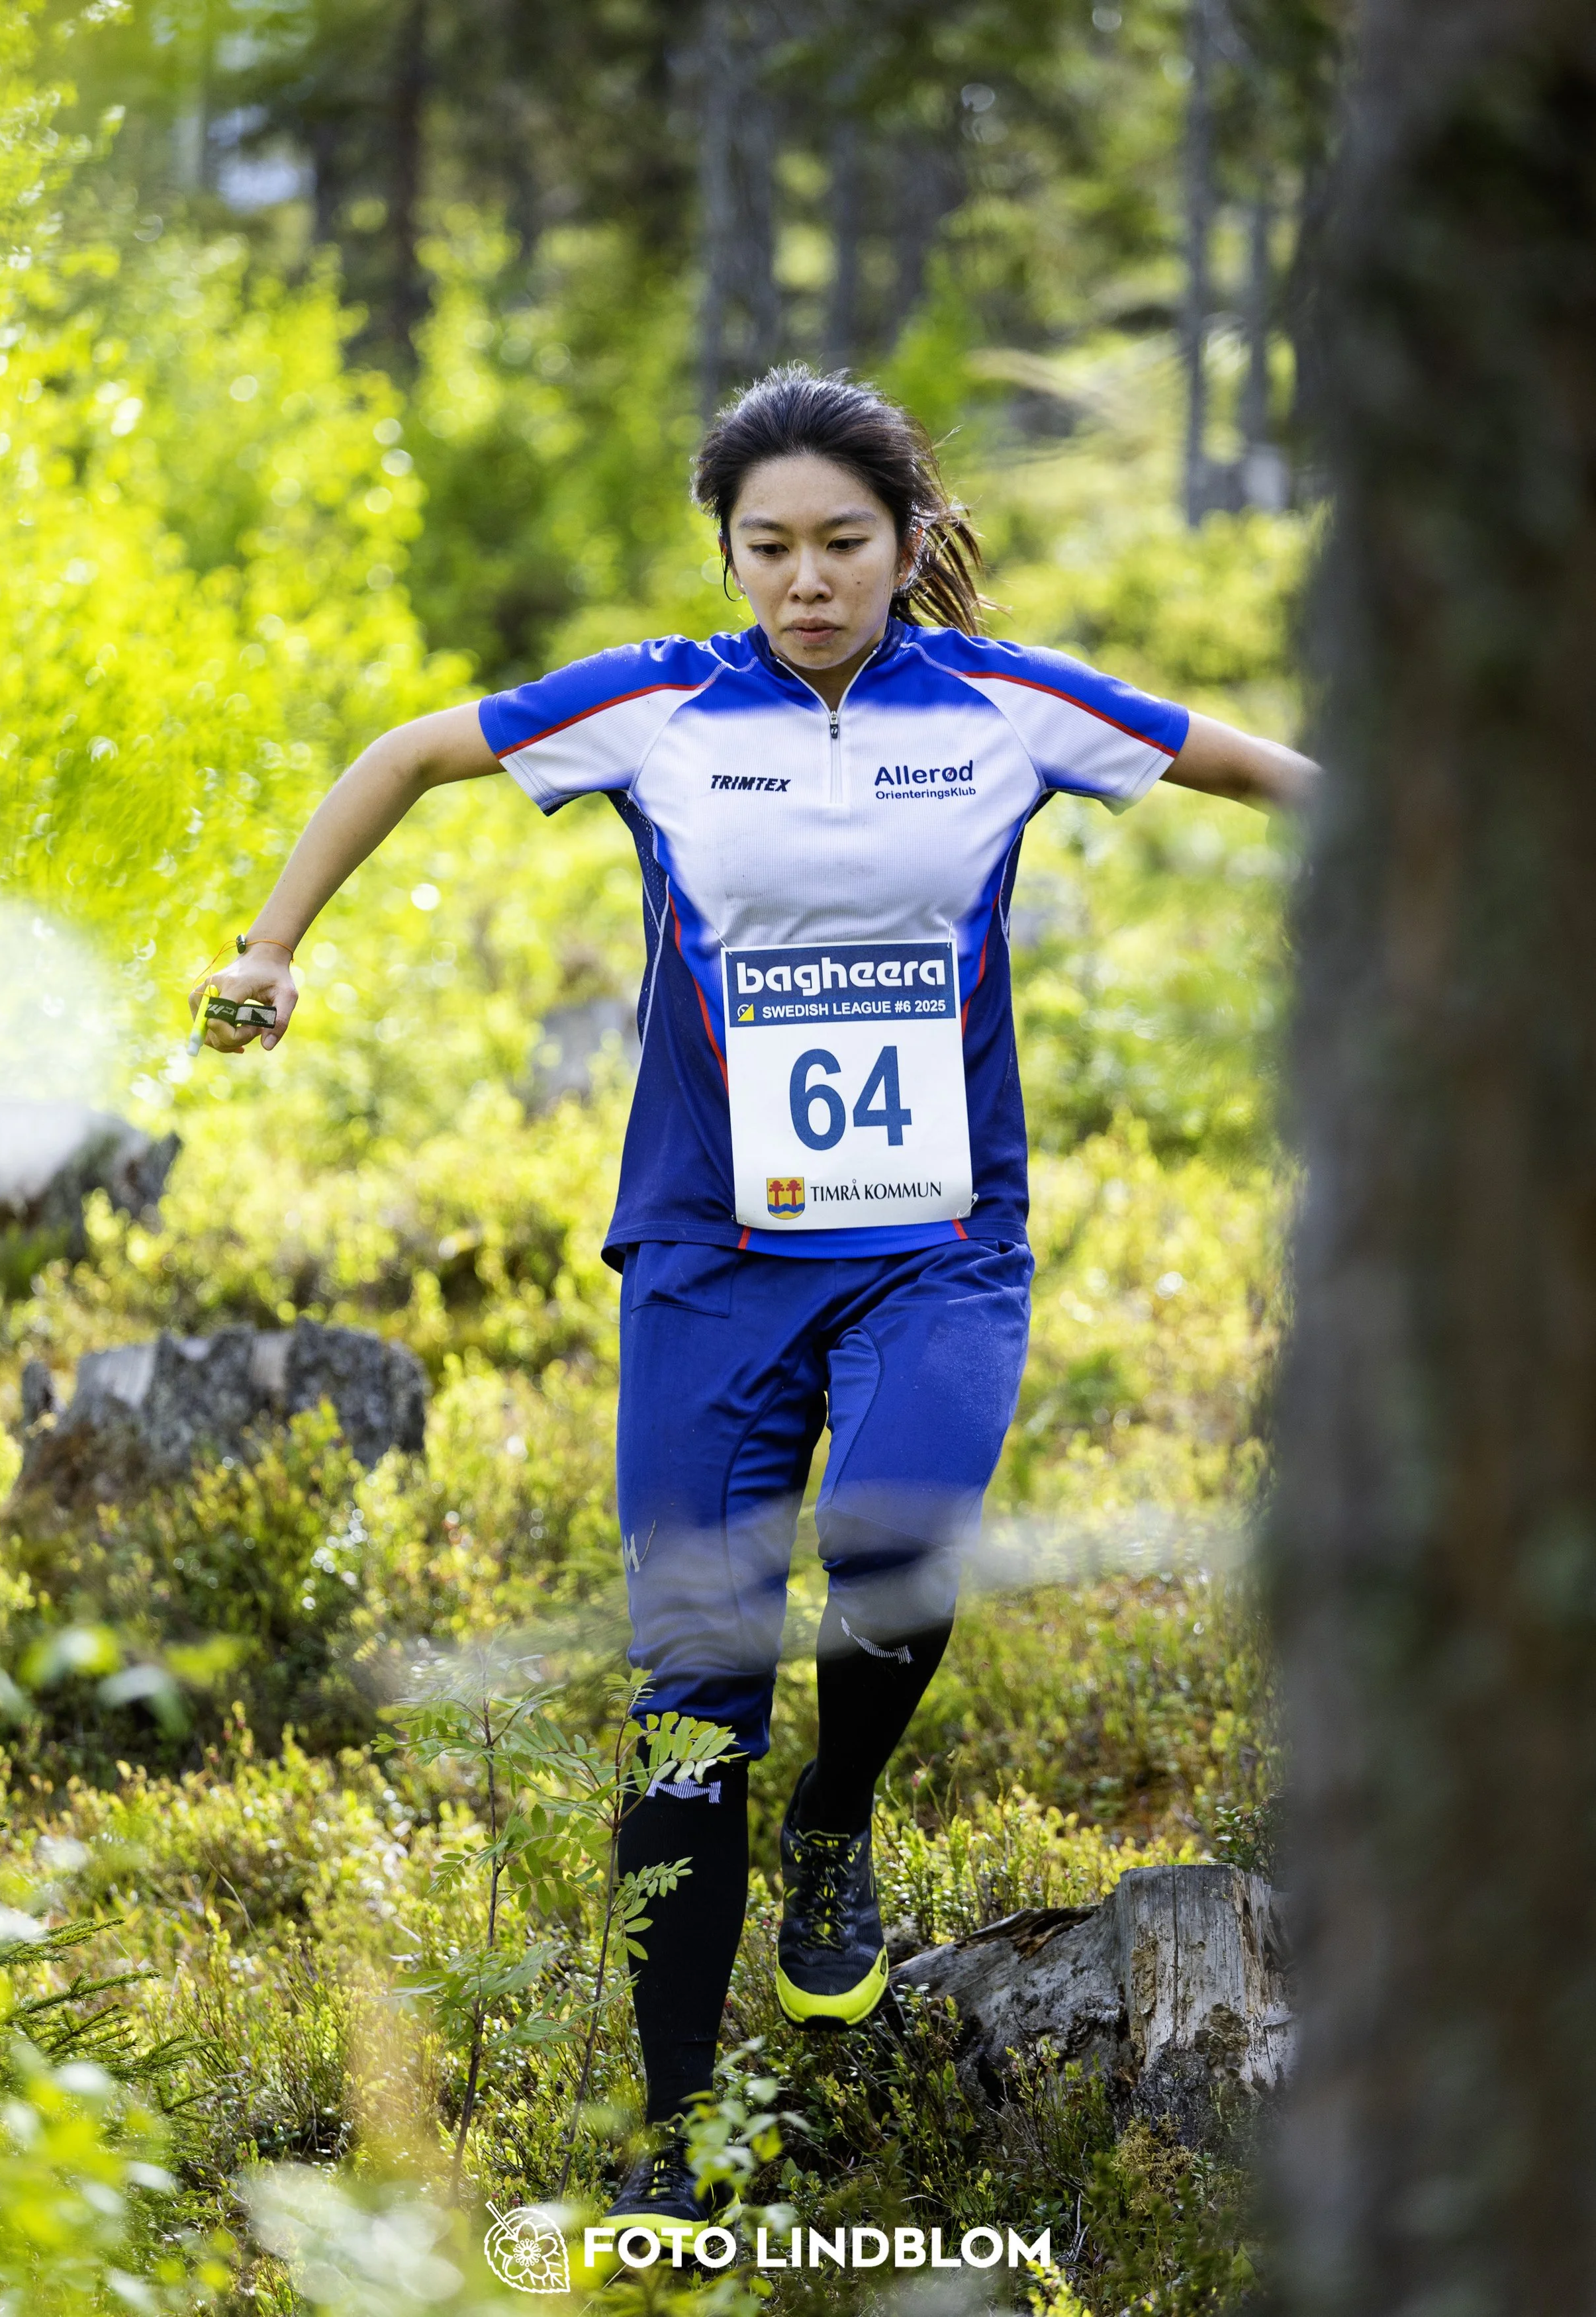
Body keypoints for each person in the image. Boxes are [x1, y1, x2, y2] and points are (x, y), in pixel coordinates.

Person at [196, 365, 1314, 2233]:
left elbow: (1250, 763)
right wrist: (273, 943)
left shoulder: (1002, 703)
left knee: (901, 1549)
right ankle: (672, 2127)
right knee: (691, 1695)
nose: (806, 580)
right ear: (728, 552)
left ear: (902, 545)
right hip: (707, 1256)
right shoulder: (654, 704)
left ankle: (837, 1827)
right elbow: (406, 753)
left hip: (933, 1241)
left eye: (841, 545)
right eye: (767, 547)